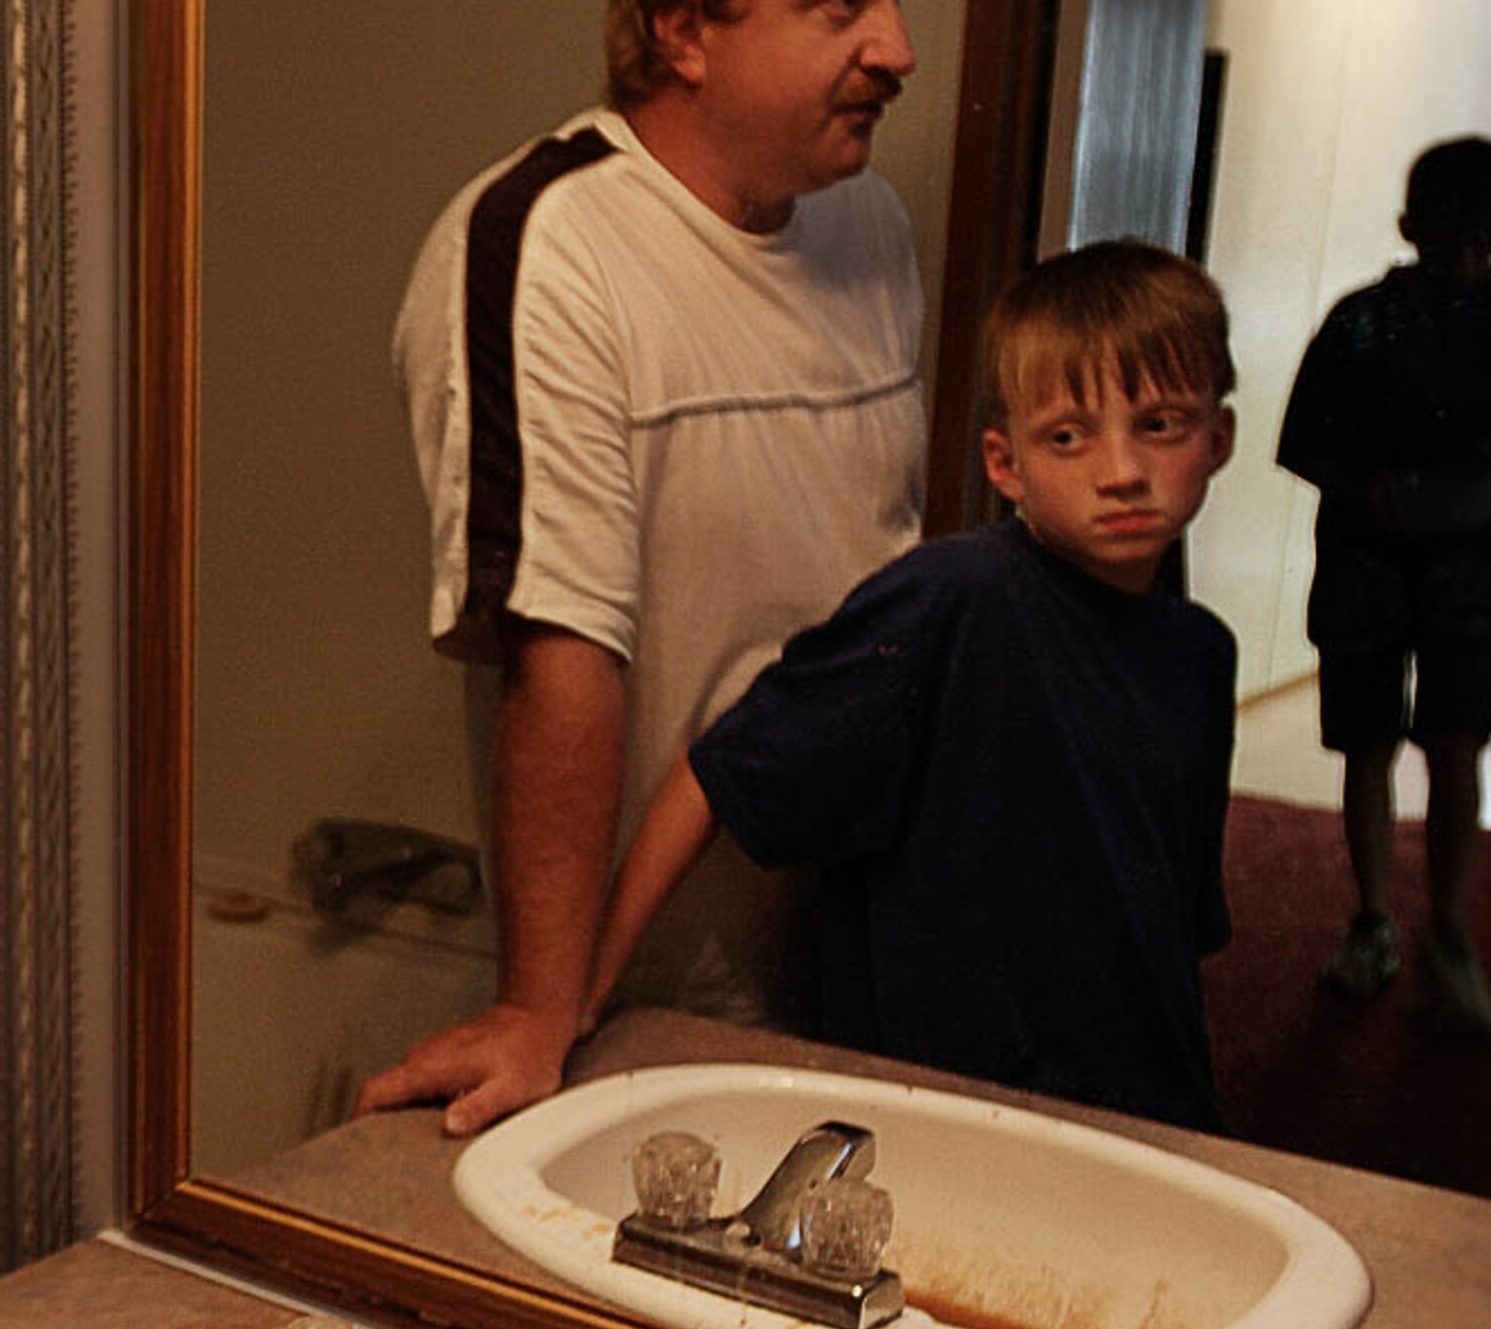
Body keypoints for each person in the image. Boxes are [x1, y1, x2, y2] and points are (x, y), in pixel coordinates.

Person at [363, 0, 925, 1137]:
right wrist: (543, 1009)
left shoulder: (872, 226)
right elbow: (564, 635)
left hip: (864, 961)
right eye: (843, 2)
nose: (899, 48)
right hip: (651, 997)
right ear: (683, 25)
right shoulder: (548, 245)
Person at [583, 241, 1240, 1130]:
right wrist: (568, 1005)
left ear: (1218, 438)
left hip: (1144, 1112)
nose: (1121, 471)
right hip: (945, 1118)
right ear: (1005, 466)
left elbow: (1174, 924)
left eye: (1160, 424)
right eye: (1068, 437)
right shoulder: (956, 599)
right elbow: (721, 771)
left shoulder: (1200, 652)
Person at [1275, 135, 1491, 1030]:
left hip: (1468, 572)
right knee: (1372, 745)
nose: (1467, 259)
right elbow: (1307, 444)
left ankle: (1442, 926)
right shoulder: (1360, 322)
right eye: (1452, 238)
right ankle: (1376, 918)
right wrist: (1382, 496)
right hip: (1374, 562)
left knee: (1453, 746)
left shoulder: (1373, 319)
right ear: (1413, 229)